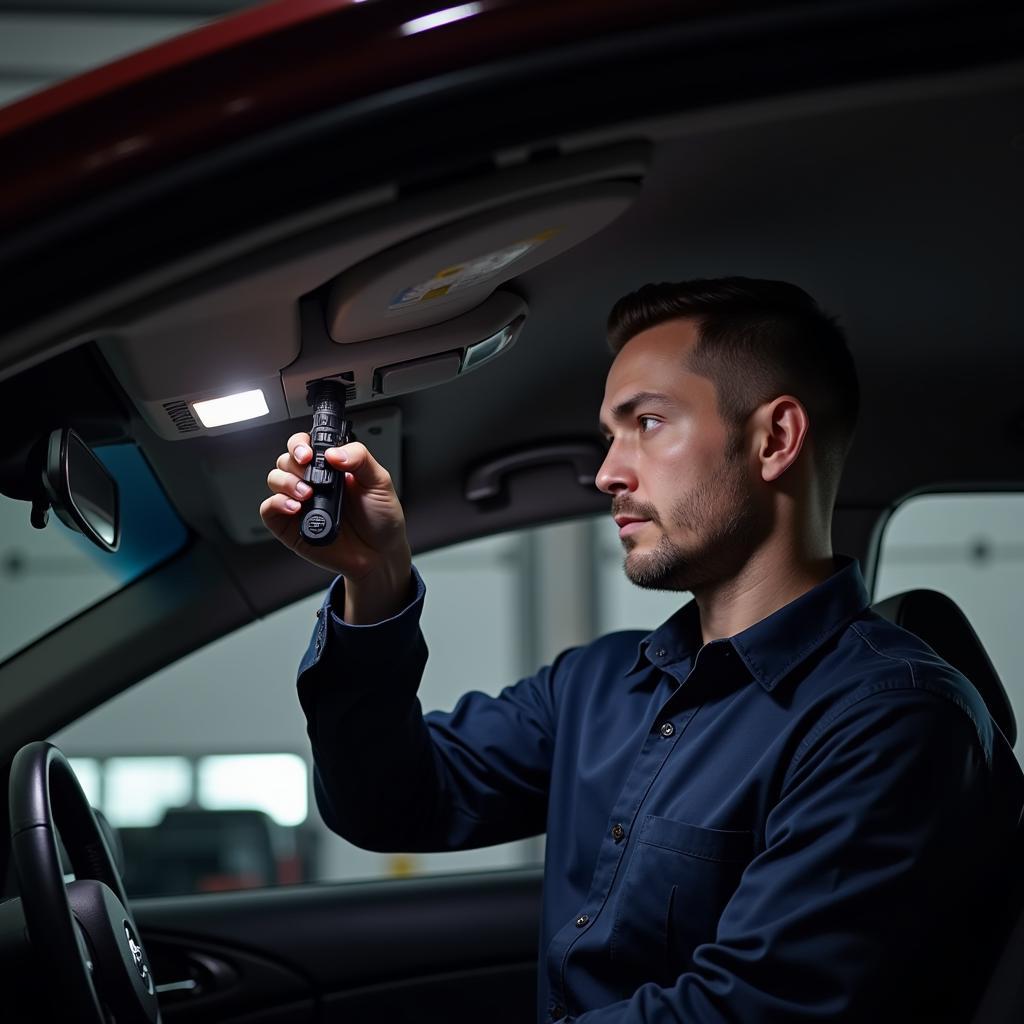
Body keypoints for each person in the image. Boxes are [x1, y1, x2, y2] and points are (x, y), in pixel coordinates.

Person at [261, 277, 1023, 1023]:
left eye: (648, 423)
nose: (606, 473)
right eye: (609, 436)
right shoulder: (598, 683)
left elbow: (754, 1007)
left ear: (776, 439)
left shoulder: (892, 719)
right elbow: (388, 804)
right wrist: (376, 575)